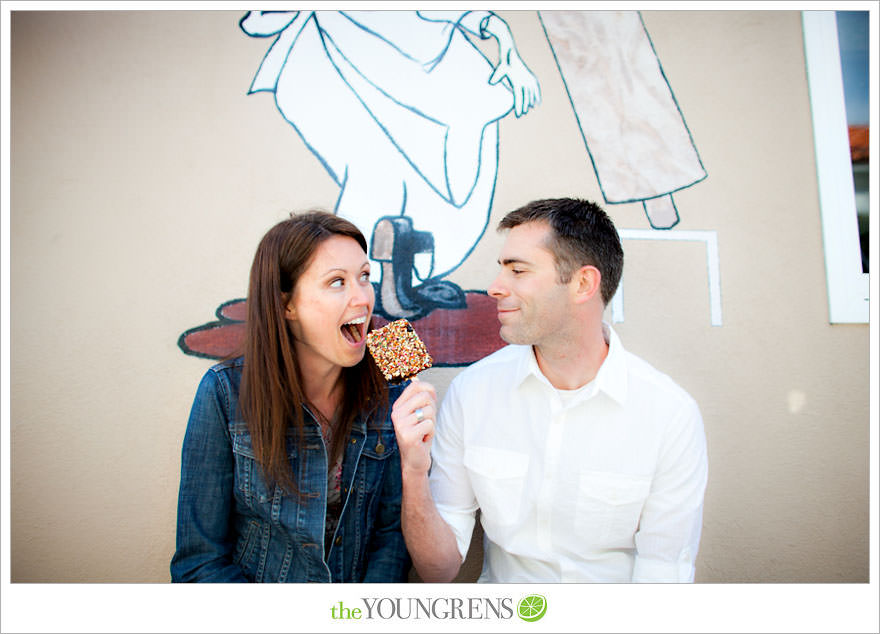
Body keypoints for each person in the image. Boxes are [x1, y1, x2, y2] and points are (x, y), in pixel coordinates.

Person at [391, 198, 708, 582]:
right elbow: (438, 571)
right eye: (501, 270)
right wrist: (414, 469)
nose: (494, 288)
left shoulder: (669, 415)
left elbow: (663, 579)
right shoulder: (472, 393)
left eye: (518, 271)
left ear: (583, 284)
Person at [171, 211, 411, 582]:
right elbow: (199, 564)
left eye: (365, 277)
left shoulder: (392, 389)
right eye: (337, 282)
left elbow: (391, 537)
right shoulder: (223, 393)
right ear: (287, 305)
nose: (362, 298)